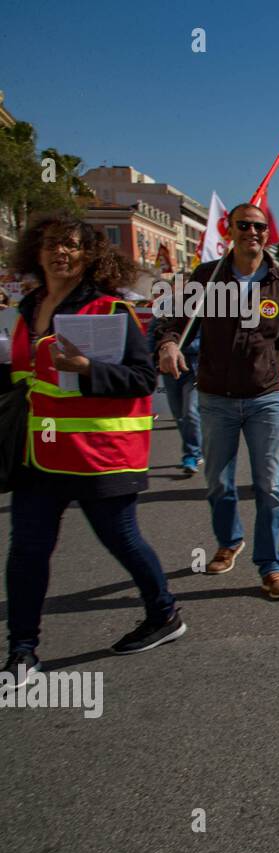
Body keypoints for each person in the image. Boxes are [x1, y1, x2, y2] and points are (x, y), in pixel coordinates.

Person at [1, 213, 186, 685]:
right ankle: (22, 650)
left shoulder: (110, 311)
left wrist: (86, 368)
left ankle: (163, 614)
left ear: (89, 256)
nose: (60, 252)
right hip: (37, 456)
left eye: (72, 245)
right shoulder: (26, 311)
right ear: (36, 252)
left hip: (99, 456)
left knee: (122, 540)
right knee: (26, 551)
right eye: (51, 244)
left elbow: (143, 380)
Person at [155, 203, 279, 600]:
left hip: (266, 398)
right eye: (244, 225)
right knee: (219, 482)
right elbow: (175, 320)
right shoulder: (208, 278)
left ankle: (271, 565)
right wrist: (170, 342)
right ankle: (229, 541)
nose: (252, 232)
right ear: (231, 230)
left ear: (267, 234)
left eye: (260, 227)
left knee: (269, 486)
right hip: (216, 398)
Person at [148, 288, 203, 474]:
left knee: (190, 412)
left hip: (194, 366)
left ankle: (192, 454)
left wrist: (185, 347)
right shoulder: (164, 306)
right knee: (178, 413)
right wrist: (150, 361)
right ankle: (196, 447)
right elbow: (152, 334)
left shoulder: (203, 305)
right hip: (169, 368)